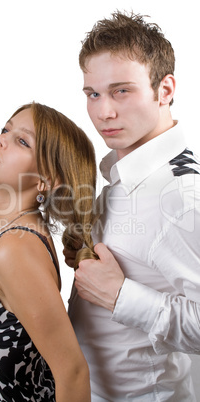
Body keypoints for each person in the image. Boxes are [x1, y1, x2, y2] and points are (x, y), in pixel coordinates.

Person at [66, 11, 200, 401]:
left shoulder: (180, 196)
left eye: (121, 91)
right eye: (93, 94)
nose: (103, 112)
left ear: (165, 90)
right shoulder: (125, 173)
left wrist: (121, 296)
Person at [0, 101, 98, 402]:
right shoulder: (6, 233)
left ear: (45, 180)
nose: (0, 139)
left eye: (22, 141)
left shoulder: (14, 248)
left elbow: (73, 373)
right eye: (6, 129)